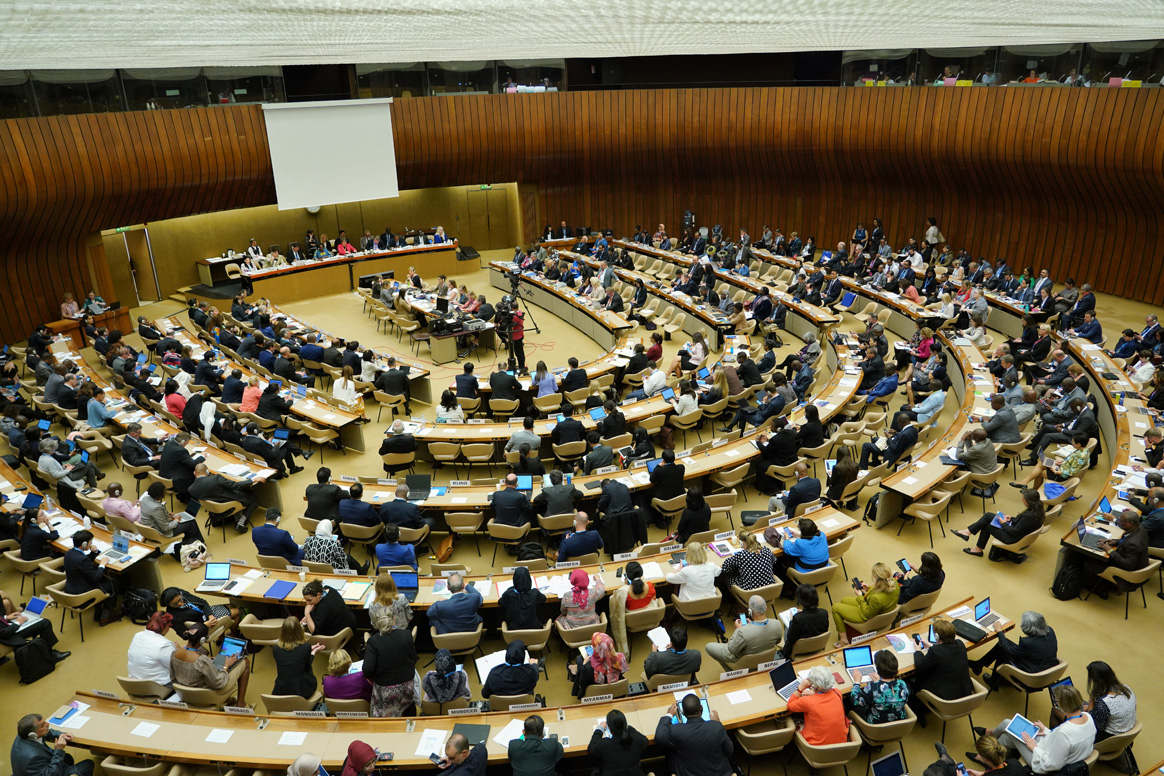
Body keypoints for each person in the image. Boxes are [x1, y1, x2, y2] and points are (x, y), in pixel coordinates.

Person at [981, 684, 1095, 773]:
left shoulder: (1064, 732)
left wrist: (1034, 748)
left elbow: (1053, 764)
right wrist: (1046, 731)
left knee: (1008, 725)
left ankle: (989, 755)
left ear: (1064, 706)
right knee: (1006, 738)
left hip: (1041, 762)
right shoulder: (1088, 717)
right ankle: (991, 757)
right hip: (1049, 748)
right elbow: (1068, 742)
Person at [1051, 661, 1136, 742]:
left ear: (1095, 681)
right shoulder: (1127, 689)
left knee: (1056, 709)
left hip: (1106, 738)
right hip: (1125, 731)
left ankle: (1053, 739)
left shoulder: (1103, 704)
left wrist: (1090, 703)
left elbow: (1092, 726)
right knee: (1079, 703)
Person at [970, 610, 1057, 688]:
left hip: (1031, 674)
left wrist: (999, 631)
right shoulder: (1050, 630)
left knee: (1002, 650)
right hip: (1046, 669)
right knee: (1004, 644)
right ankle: (979, 665)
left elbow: (1008, 651)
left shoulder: (1027, 643)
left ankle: (992, 680)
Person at [170, 622, 250, 705]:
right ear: (202, 640)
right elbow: (218, 683)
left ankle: (227, 700)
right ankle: (241, 703)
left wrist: (209, 662)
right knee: (246, 662)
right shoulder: (202, 661)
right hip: (205, 696)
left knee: (217, 664)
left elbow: (173, 677)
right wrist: (226, 666)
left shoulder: (174, 653)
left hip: (186, 695)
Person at [655, 693, 734, 776]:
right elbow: (729, 751)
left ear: (683, 712)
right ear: (701, 708)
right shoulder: (716, 727)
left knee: (670, 751)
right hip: (719, 773)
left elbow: (659, 738)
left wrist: (669, 715)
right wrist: (717, 723)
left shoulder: (676, 730)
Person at [954, 489, 1044, 558]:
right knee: (988, 516)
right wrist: (1010, 519)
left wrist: (1003, 523)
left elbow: (1014, 532)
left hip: (1012, 538)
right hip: (1018, 532)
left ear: (1028, 501)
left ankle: (973, 541)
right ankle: (968, 533)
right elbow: (1022, 523)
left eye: (1023, 499)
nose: (1022, 500)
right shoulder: (1038, 509)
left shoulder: (1028, 516)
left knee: (986, 524)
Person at [706, 594, 783, 670]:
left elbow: (732, 650)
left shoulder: (742, 632)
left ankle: (731, 670)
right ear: (766, 608)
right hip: (766, 657)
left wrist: (737, 630)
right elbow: (777, 641)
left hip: (743, 659)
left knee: (709, 647)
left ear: (750, 611)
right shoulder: (777, 624)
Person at [362, 612, 418, 717]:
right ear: (394, 619)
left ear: (376, 623)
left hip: (384, 687)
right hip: (406, 684)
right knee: (409, 705)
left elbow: (367, 669)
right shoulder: (406, 635)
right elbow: (414, 658)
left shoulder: (373, 641)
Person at [1084, 510, 1149, 598]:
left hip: (1129, 572)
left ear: (1130, 523)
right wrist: (1114, 542)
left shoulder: (1134, 543)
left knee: (1089, 564)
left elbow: (1128, 565)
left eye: (1121, 521)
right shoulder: (1139, 528)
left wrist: (1110, 550)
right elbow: (1126, 540)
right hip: (1136, 561)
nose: (1118, 522)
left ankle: (1101, 591)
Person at [831, 562, 900, 645]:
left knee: (835, 608)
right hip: (879, 607)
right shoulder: (894, 583)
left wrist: (860, 596)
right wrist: (869, 588)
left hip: (868, 615)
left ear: (876, 577)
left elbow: (867, 613)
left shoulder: (876, 599)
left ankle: (844, 640)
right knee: (844, 600)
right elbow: (881, 590)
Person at [11, 713, 94, 776]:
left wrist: (60, 734)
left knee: (67, 758)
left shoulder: (24, 734)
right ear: (33, 734)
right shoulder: (32, 756)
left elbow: (45, 733)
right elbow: (51, 774)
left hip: (39, 769)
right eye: (43, 725)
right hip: (49, 773)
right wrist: (58, 750)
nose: (47, 724)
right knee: (88, 764)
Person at [63, 531, 119, 619]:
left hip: (71, 589)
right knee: (114, 584)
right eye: (90, 542)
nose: (91, 544)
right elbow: (95, 578)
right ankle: (106, 617)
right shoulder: (82, 559)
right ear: (84, 544)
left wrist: (94, 552)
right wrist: (102, 564)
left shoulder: (69, 553)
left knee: (103, 579)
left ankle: (98, 611)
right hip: (82, 595)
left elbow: (84, 562)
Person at [787, 665, 848, 745]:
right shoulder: (837, 692)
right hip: (842, 744)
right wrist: (813, 693)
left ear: (813, 684)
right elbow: (823, 696)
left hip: (816, 747)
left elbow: (790, 705)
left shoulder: (807, 701)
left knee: (793, 720)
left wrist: (800, 688)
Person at [851, 649, 911, 723]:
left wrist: (857, 682)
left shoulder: (873, 687)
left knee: (850, 707)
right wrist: (879, 681)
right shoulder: (902, 684)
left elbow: (855, 701)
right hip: (898, 724)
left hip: (876, 727)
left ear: (877, 668)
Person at [272, 616, 325, 698]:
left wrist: (308, 651)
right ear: (299, 631)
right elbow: (306, 668)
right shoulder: (305, 647)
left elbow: (290, 658)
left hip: (282, 689)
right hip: (302, 689)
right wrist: (312, 653)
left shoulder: (276, 649)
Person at [773, 518, 830, 590]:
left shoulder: (800, 543)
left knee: (781, 561)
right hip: (824, 573)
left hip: (806, 576)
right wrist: (800, 536)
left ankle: (787, 589)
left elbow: (788, 550)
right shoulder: (822, 535)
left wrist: (787, 539)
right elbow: (811, 541)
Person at [589, 709, 649, 776]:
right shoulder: (637, 740)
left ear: (610, 729)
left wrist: (600, 729)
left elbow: (591, 748)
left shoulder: (605, 744)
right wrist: (627, 727)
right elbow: (645, 740)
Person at [570, 632, 627, 698]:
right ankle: (573, 670)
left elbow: (582, 684)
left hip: (596, 694)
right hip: (616, 691)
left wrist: (584, 664)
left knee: (580, 660)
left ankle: (573, 671)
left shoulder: (587, 669)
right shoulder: (621, 658)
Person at [781, 583, 830, 659]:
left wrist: (791, 620)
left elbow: (791, 640)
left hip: (800, 651)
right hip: (817, 647)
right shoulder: (824, 613)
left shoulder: (798, 618)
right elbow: (824, 630)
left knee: (787, 626)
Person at [304, 519, 368, 574]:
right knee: (348, 557)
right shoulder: (333, 544)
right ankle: (361, 571)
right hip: (331, 569)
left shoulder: (308, 539)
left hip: (313, 568)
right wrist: (339, 546)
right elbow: (342, 560)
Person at [499, 566, 547, 631]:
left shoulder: (509, 593)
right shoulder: (535, 593)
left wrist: (512, 589)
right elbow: (544, 599)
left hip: (514, 631)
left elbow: (500, 602)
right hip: (534, 630)